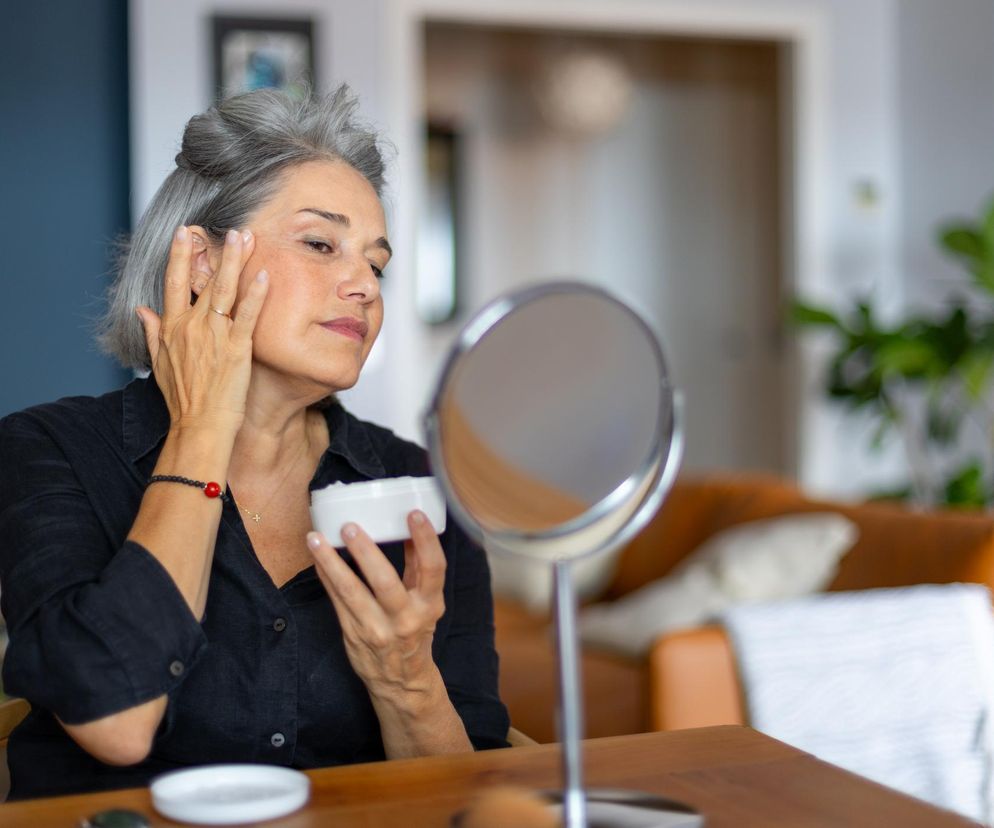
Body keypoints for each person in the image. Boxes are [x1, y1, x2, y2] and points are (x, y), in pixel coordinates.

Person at [0, 85, 509, 799]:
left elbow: (471, 795)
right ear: (204, 264)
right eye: (320, 243)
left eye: (377, 264)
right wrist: (203, 430)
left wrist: (407, 681)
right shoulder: (47, 449)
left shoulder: (418, 482)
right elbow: (113, 722)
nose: (364, 285)